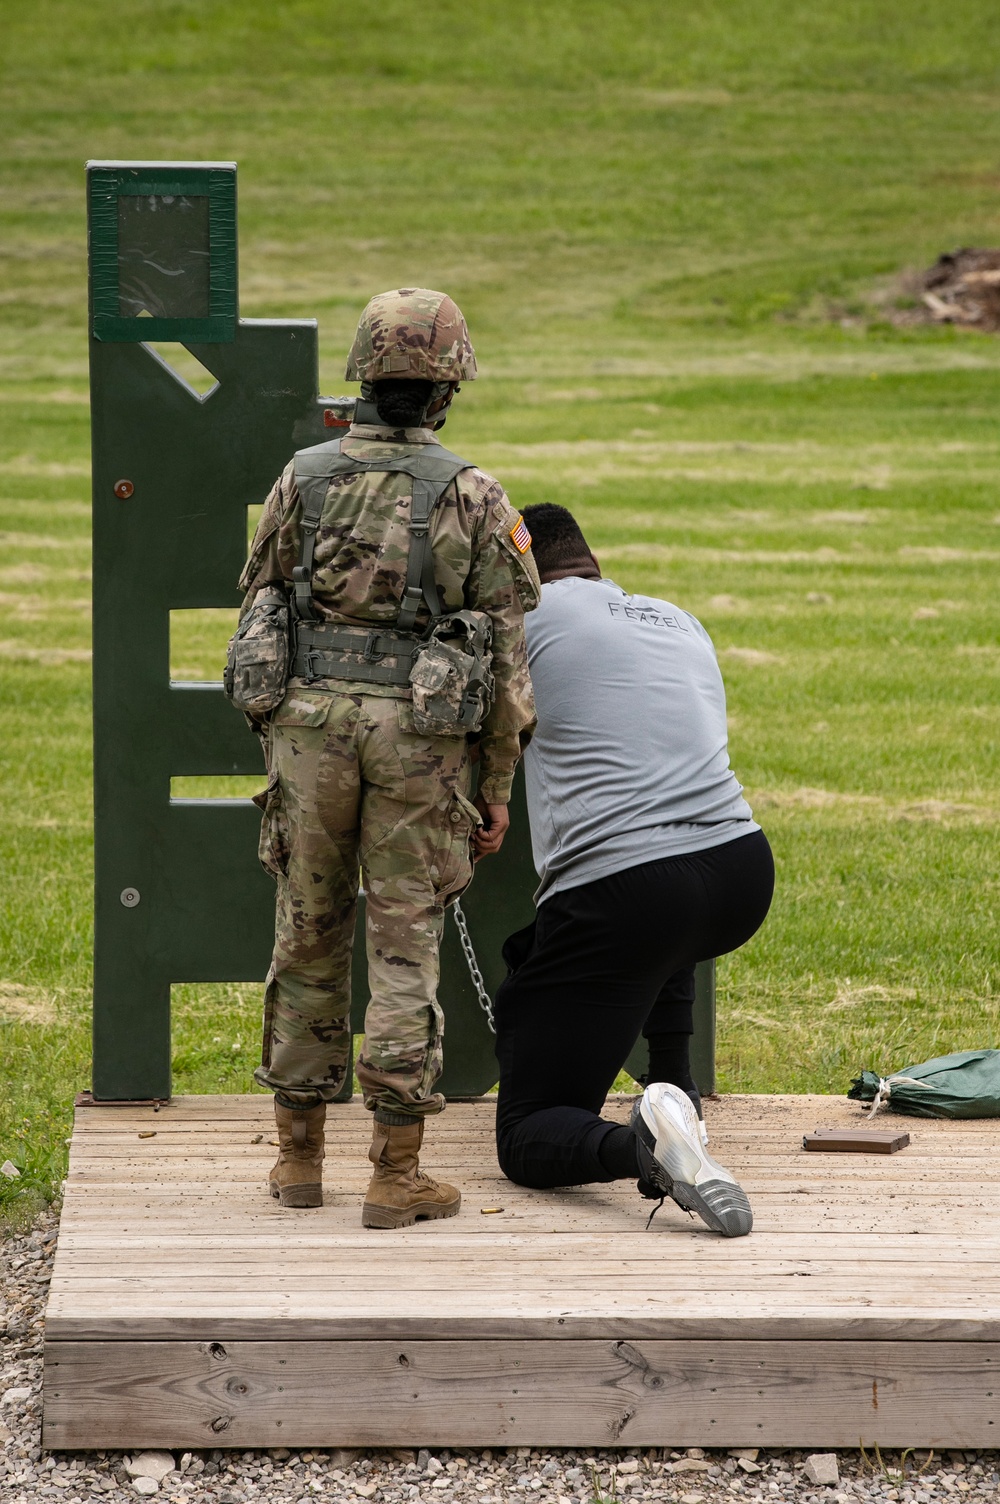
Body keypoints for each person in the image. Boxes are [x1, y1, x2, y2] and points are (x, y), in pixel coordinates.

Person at [238, 288, 539, 1228]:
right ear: (448, 387)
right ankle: (393, 1172)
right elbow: (502, 661)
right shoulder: (474, 496)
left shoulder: (302, 477)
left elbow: (261, 601)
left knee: (306, 929)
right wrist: (494, 791)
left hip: (310, 731)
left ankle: (296, 1160)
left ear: (362, 376)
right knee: (403, 944)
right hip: (418, 743)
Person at [493, 503, 773, 1237]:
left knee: (528, 1132)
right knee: (661, 937)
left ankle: (647, 1149)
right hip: (740, 869)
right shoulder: (677, 617)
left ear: (514, 573)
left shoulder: (523, 624)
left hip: (630, 892)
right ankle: (674, 1088)